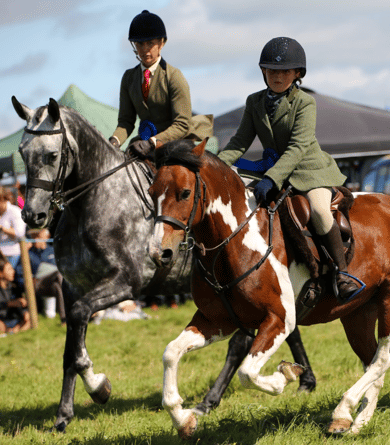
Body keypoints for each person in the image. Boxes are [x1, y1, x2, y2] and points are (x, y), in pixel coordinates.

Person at [217, 37, 359, 301]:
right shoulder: (254, 101)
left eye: (284, 71)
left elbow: (298, 146)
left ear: (297, 74)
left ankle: (342, 273)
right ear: (263, 72)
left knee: (317, 209)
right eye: (271, 70)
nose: (277, 76)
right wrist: (214, 166)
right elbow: (239, 142)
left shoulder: (305, 103)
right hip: (273, 170)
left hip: (309, 170)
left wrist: (271, 178)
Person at [110, 10, 208, 157]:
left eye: (150, 43)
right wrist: (113, 141)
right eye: (140, 44)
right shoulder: (128, 78)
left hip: (174, 146)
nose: (144, 50)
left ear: (161, 43)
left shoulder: (174, 76)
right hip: (142, 144)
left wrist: (152, 142)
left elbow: (182, 124)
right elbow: (126, 121)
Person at [16, 228, 66, 323]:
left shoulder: (53, 250)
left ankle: (64, 319)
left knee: (57, 284)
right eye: (33, 236)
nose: (35, 239)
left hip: (51, 284)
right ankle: (69, 314)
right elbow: (18, 275)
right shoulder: (28, 253)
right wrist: (29, 282)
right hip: (36, 285)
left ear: (47, 237)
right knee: (59, 275)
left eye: (38, 236)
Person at [0, 257, 30, 335]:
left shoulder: (14, 287)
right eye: (9, 269)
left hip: (13, 321)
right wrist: (9, 304)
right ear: (0, 273)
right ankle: (12, 331)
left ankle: (12, 332)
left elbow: (20, 308)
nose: (13, 271)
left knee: (29, 317)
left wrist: (24, 312)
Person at [0, 185, 27, 268]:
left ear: (1, 199)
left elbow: (20, 233)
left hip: (14, 254)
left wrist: (0, 228)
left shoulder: (15, 211)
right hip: (1, 254)